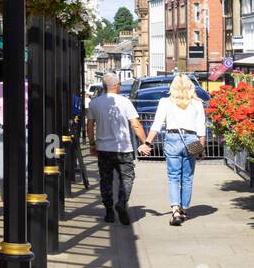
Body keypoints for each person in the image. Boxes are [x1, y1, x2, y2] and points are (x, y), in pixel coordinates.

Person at [139, 73, 207, 226]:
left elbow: (157, 124)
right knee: (188, 177)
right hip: (191, 139)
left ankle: (175, 209)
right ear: (191, 87)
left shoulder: (165, 102)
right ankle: (183, 209)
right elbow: (201, 129)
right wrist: (201, 148)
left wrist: (148, 143)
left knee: (173, 176)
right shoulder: (197, 103)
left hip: (173, 138)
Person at [87, 73, 147, 225]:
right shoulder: (125, 102)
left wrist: (92, 144)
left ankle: (108, 211)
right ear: (116, 86)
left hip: (103, 148)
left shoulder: (94, 103)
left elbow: (89, 126)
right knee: (127, 177)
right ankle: (121, 202)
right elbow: (135, 124)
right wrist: (145, 142)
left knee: (105, 179)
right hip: (123, 148)